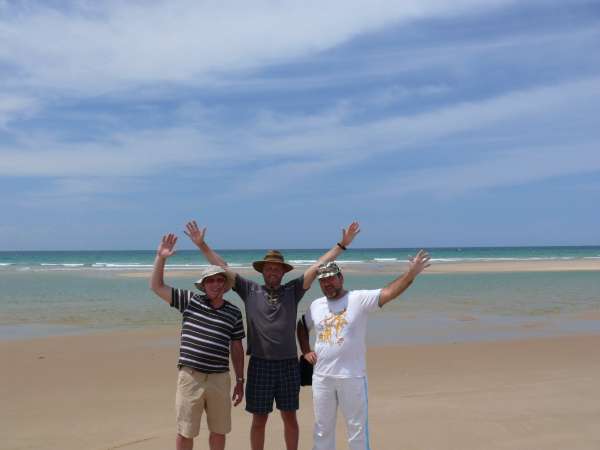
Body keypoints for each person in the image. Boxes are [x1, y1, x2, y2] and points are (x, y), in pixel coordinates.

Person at [184, 220, 361, 450]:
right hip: (260, 364)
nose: (273, 272)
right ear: (263, 271)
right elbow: (223, 268)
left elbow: (318, 266)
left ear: (283, 272)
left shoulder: (293, 290)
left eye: (277, 268)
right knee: (259, 420)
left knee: (290, 418)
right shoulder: (250, 290)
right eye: (269, 268)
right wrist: (202, 245)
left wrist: (342, 245)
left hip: (288, 365)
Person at [297, 251, 431, 450]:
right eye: (322, 280)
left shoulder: (358, 299)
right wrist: (306, 350)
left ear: (340, 278)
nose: (327, 283)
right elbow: (301, 325)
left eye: (331, 278)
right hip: (322, 378)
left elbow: (389, 292)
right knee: (322, 429)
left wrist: (411, 274)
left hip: (352, 378)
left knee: (357, 430)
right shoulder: (316, 305)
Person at [150, 233, 246, 450]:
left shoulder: (234, 312)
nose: (215, 284)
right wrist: (161, 257)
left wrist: (240, 380)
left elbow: (237, 347)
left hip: (220, 379)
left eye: (219, 280)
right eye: (210, 280)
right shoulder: (190, 301)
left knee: (219, 431)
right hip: (190, 377)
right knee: (185, 432)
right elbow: (156, 286)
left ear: (225, 284)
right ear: (203, 285)